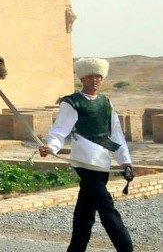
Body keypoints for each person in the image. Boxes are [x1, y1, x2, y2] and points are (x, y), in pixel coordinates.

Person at [39, 58, 134, 252]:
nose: (95, 80)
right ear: (82, 78)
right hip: (85, 163)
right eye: (90, 76)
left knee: (85, 212)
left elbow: (115, 133)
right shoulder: (72, 102)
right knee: (107, 208)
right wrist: (51, 147)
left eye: (98, 76)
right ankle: (126, 248)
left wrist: (125, 162)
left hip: (102, 163)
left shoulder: (105, 102)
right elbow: (60, 129)